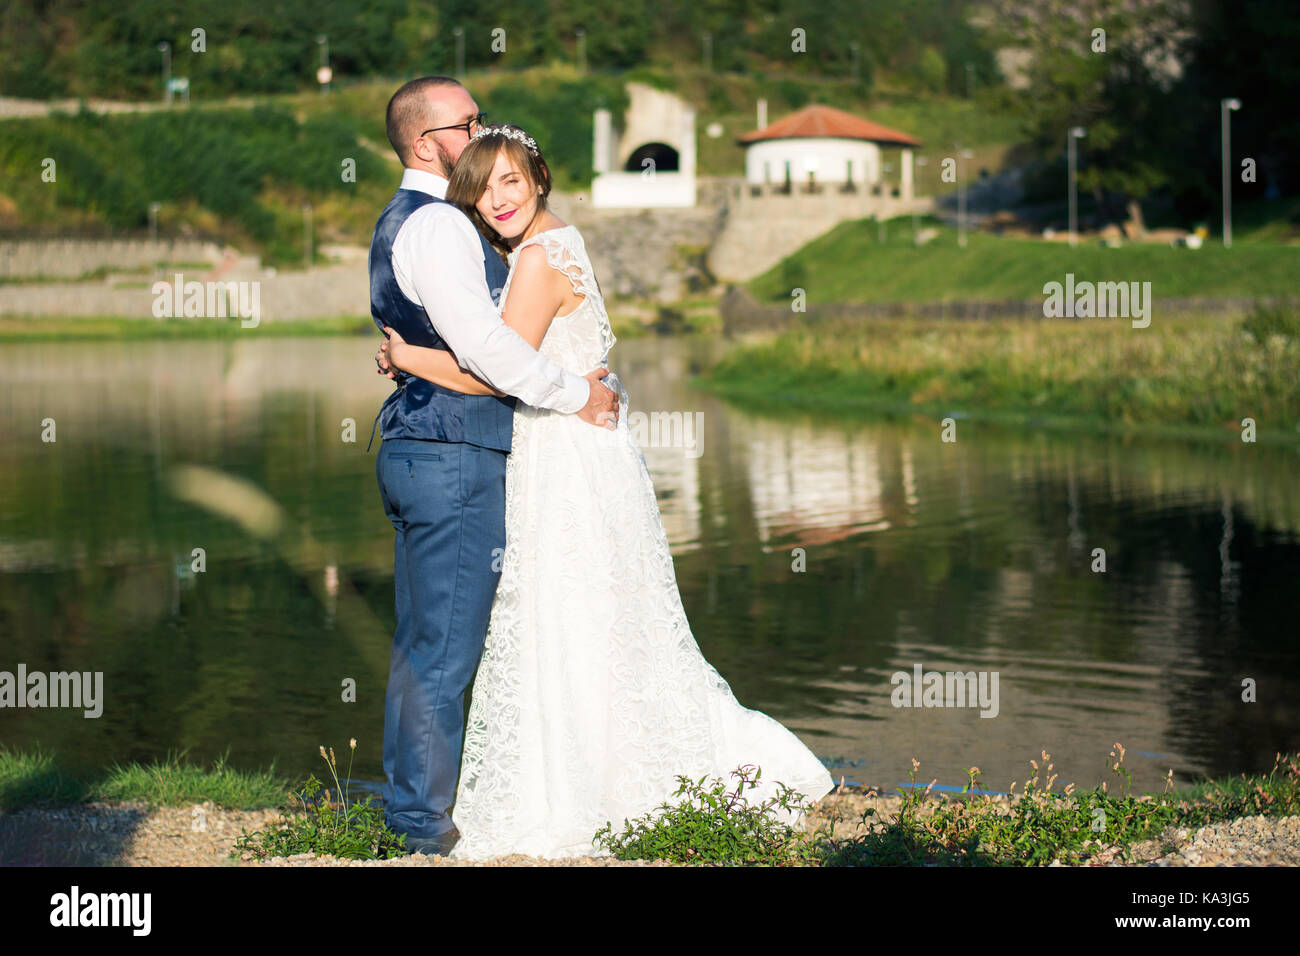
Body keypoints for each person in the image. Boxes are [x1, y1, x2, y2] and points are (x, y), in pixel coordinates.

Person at [378, 122, 835, 860]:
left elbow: (496, 369)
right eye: (482, 188)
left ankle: (587, 786)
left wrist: (408, 355)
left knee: (570, 608)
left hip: (563, 456)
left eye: (511, 184)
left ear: (539, 181)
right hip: (578, 448)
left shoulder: (539, 258)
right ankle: (601, 770)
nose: (496, 201)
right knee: (598, 610)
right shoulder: (554, 242)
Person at [368, 77, 620, 859]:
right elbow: (486, 350)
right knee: (441, 651)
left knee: (429, 644)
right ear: (424, 143)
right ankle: (421, 828)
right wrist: (574, 391)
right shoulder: (439, 226)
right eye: (465, 123)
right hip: (452, 455)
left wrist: (410, 358)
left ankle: (421, 810)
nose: (479, 131)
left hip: (433, 450)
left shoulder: (408, 222)